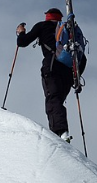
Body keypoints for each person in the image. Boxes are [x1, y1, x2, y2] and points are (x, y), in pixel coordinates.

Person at [16, 8, 75, 142]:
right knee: (58, 100)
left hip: (52, 66)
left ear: (47, 17)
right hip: (67, 72)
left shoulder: (43, 26)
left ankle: (60, 133)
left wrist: (20, 32)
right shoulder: (68, 31)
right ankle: (61, 131)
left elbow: (22, 42)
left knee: (52, 98)